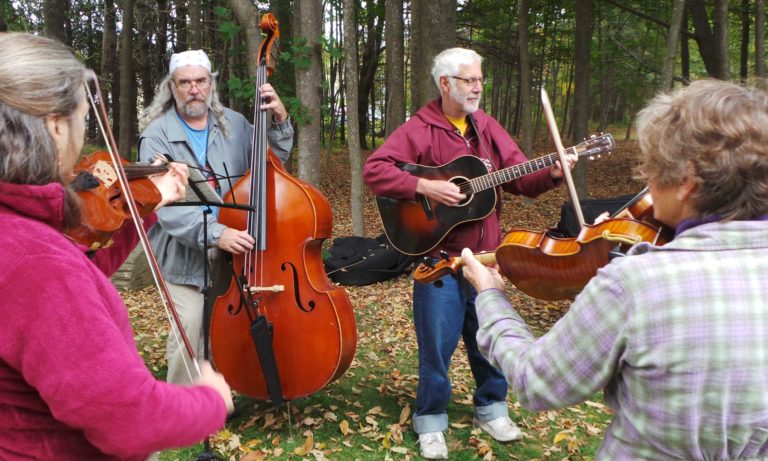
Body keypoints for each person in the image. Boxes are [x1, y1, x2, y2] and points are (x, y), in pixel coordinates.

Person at [461, 79, 768, 460]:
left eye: (652, 169)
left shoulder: (637, 284)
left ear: (688, 181)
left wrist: (491, 296)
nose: (646, 185)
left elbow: (536, 383)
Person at [0, 32, 234, 459]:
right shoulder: (38, 262)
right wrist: (210, 402)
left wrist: (147, 202)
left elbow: (80, 264)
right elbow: (128, 418)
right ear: (54, 126)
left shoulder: (23, 234)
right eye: (83, 117)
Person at [363, 47, 577, 459]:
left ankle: (492, 407)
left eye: (480, 79)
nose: (477, 87)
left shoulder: (487, 128)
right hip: (438, 260)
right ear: (445, 84)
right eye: (468, 80)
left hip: (487, 259)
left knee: (490, 339)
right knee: (437, 347)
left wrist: (551, 172)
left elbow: (520, 176)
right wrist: (424, 187)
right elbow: (376, 169)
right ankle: (430, 420)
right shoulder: (419, 128)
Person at [137, 50, 294, 385]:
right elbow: (165, 206)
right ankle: (180, 403)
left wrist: (280, 119)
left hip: (230, 250)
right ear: (172, 87)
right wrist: (217, 233)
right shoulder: (157, 135)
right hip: (182, 252)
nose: (194, 89)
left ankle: (220, 394)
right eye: (185, 82)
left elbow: (271, 165)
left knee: (225, 322)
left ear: (211, 85)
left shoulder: (235, 124)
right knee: (190, 324)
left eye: (200, 81)